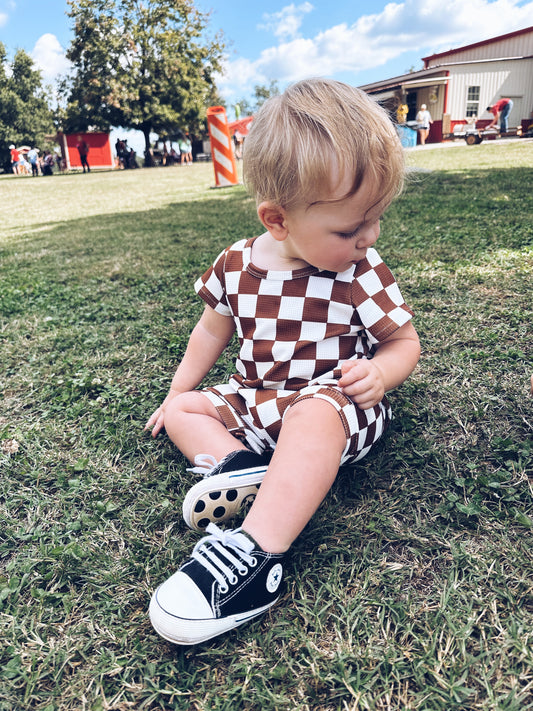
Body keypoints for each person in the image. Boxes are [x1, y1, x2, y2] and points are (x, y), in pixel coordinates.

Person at [145, 78, 421, 646]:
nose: (370, 237)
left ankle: (256, 552)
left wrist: (381, 373)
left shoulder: (357, 269)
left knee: (313, 413)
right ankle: (244, 472)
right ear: (277, 219)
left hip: (336, 405)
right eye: (350, 228)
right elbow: (210, 331)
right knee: (185, 413)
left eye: (377, 219)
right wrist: (177, 394)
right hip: (255, 402)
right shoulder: (236, 264)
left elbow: (403, 343)